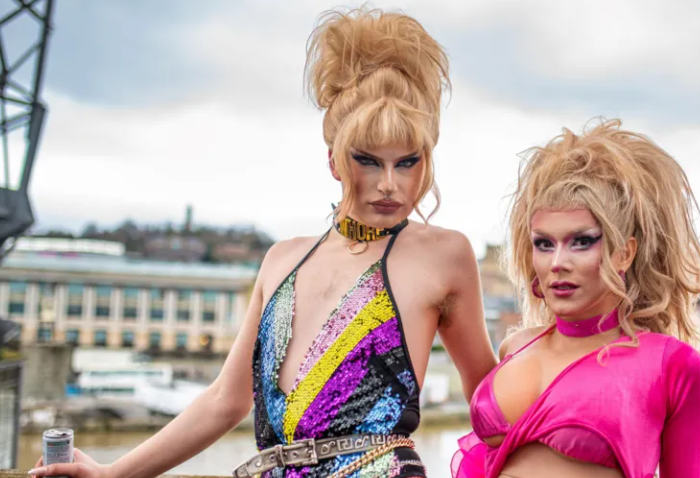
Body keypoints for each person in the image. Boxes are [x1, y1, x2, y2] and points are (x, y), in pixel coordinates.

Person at [30, 7, 496, 478]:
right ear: (334, 161)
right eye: (369, 161)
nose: (389, 185)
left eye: (408, 162)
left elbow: (491, 401)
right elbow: (224, 401)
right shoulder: (282, 260)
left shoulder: (444, 255)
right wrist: (113, 473)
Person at [452, 118, 700, 478]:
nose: (558, 263)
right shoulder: (515, 347)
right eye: (544, 244)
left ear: (625, 252)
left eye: (582, 241)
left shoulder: (673, 366)